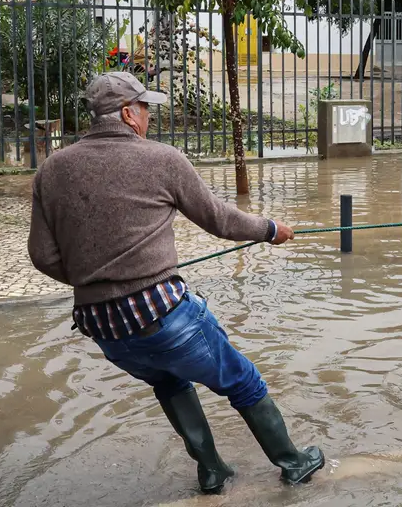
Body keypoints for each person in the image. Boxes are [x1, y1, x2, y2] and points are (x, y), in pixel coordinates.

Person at [27, 72, 324, 494]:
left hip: (102, 327)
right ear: (128, 114)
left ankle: (212, 471)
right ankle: (293, 462)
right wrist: (271, 228)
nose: (148, 116)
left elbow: (42, 257)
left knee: (167, 381)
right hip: (161, 313)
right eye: (145, 107)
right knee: (242, 381)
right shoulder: (162, 159)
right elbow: (220, 219)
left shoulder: (51, 170)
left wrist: (94, 280)